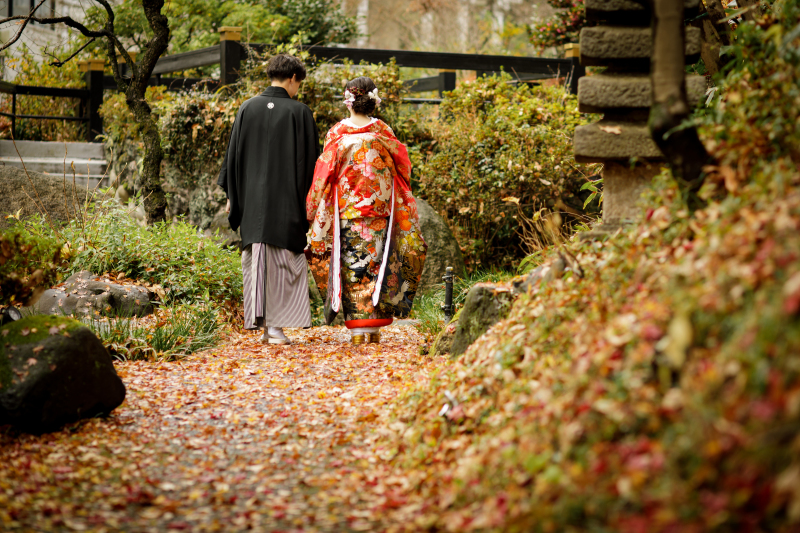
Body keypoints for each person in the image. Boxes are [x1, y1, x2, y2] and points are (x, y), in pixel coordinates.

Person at [306, 76, 427, 345]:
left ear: (348, 102)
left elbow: (324, 173)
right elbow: (403, 168)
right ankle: (373, 328)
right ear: (373, 101)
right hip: (381, 209)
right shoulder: (383, 131)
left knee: (352, 269)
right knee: (379, 264)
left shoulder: (337, 133)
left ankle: (357, 330)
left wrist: (314, 205)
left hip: (346, 211)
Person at [218, 54, 319, 345]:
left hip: (251, 201)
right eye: (299, 83)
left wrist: (231, 195)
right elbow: (311, 162)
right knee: (284, 261)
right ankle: (275, 327)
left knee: (257, 259)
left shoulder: (247, 108)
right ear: (293, 79)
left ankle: (266, 327)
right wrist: (311, 201)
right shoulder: (299, 112)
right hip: (286, 201)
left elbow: (233, 156)